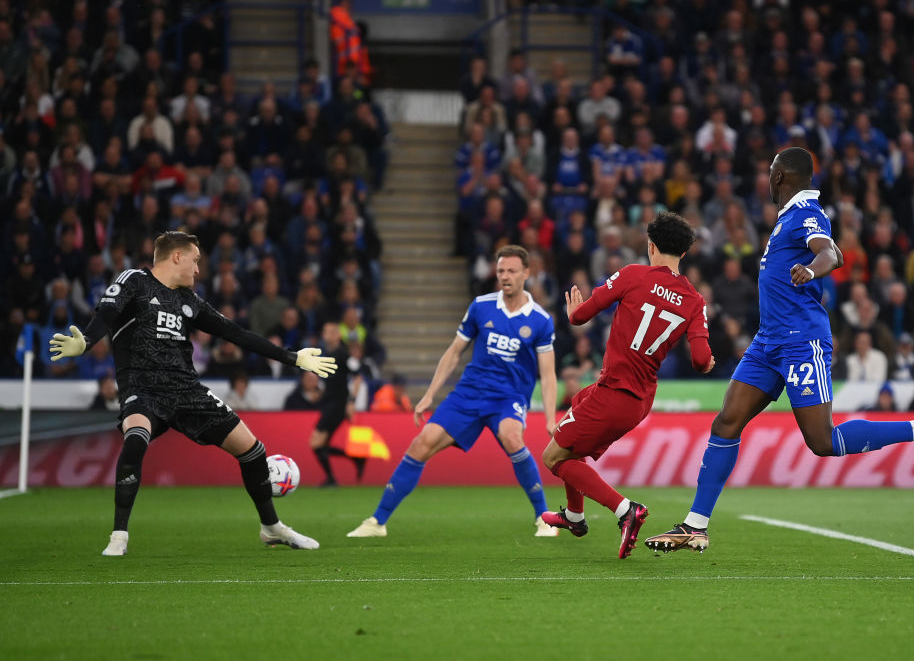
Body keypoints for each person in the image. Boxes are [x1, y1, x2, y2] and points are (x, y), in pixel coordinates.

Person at [643, 148, 914, 556]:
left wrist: (813, 269)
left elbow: (830, 253)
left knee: (822, 440)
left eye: (770, 172)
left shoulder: (806, 212)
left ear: (780, 176)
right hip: (768, 342)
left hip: (801, 342)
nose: (767, 179)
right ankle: (695, 526)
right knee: (726, 422)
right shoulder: (787, 218)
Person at [48, 231, 337, 556]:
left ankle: (271, 528)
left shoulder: (189, 301)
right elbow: (106, 314)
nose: (198, 269)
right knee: (135, 439)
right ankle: (119, 536)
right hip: (143, 387)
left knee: (254, 451)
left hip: (187, 391)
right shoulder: (134, 281)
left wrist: (293, 357)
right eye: (195, 260)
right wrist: (86, 342)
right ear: (177, 257)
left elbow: (235, 333)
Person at [347, 245, 560, 538]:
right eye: (501, 271)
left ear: (526, 273)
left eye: (511, 271)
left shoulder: (540, 320)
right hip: (469, 393)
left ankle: (544, 519)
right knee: (422, 442)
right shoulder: (481, 306)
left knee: (512, 437)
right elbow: (454, 352)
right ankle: (377, 522)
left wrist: (550, 417)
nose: (505, 276)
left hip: (508, 397)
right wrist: (429, 395)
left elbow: (548, 374)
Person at [540, 212, 714, 558]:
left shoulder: (634, 275)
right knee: (575, 413)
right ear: (683, 253)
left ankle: (625, 510)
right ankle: (574, 515)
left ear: (651, 246)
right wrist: (709, 362)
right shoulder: (695, 300)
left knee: (553, 457)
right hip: (638, 399)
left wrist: (573, 312)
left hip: (614, 393)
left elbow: (581, 316)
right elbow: (700, 359)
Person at [309, 322, 366, 486]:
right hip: (328, 403)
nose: (327, 335)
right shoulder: (326, 353)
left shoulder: (344, 354)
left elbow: (357, 377)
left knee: (315, 443)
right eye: (325, 331)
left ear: (338, 335)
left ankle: (332, 478)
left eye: (331, 332)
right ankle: (355, 460)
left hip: (337, 405)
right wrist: (319, 392)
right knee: (321, 445)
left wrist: (352, 402)